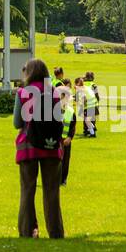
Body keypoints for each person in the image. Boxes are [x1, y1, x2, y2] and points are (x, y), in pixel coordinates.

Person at [13, 59, 64, 238]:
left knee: (27, 189)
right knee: (52, 190)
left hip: (28, 145)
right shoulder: (54, 92)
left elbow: (17, 123)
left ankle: (28, 231)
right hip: (51, 146)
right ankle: (56, 231)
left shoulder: (23, 92)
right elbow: (59, 120)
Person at [60, 82, 77, 186]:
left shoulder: (70, 111)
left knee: (65, 160)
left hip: (66, 140)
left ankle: (63, 180)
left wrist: (70, 137)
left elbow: (73, 126)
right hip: (55, 140)